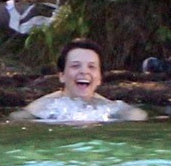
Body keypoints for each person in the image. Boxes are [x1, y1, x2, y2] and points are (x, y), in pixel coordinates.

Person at [10, 38, 147, 121]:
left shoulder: (108, 107)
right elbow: (17, 117)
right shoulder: (43, 107)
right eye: (75, 66)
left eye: (91, 67)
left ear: (99, 78)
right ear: (62, 75)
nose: (84, 71)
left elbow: (139, 115)